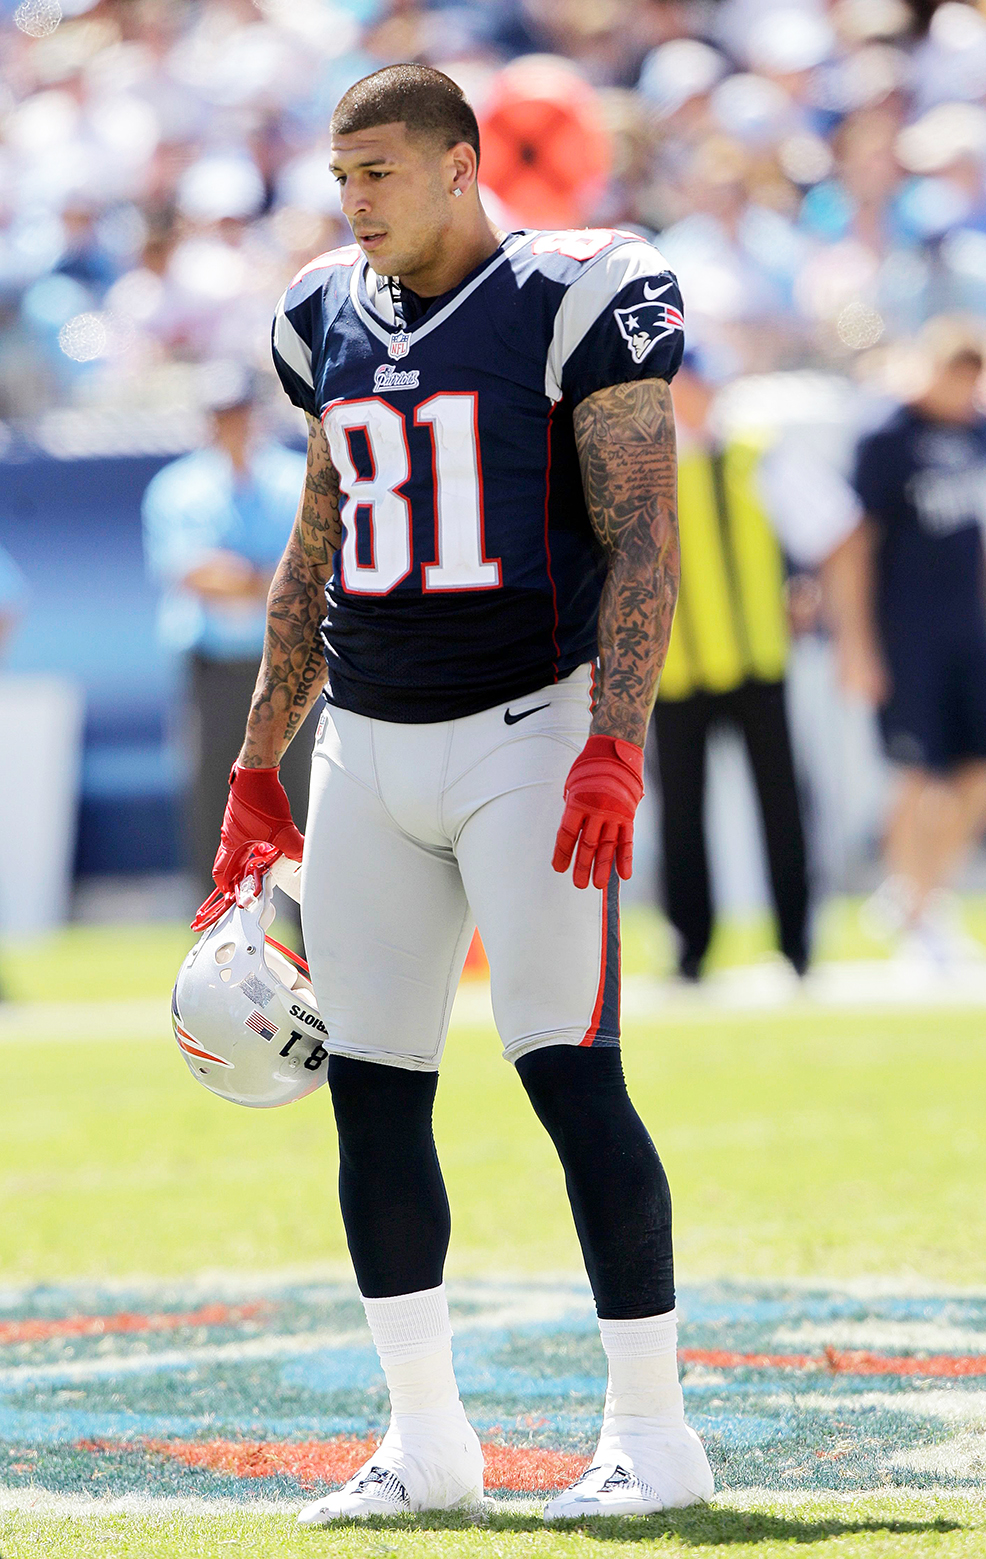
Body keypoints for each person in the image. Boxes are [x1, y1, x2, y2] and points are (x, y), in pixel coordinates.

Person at [207, 64, 714, 1523]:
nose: (354, 200)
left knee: (565, 1065)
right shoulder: (319, 316)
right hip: (369, 736)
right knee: (369, 1091)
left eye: (379, 171)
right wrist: (260, 760)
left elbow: (644, 538)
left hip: (528, 728)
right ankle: (426, 1439)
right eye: (340, 175)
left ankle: (656, 1434)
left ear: (460, 165)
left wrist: (614, 736)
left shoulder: (576, 292)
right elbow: (316, 549)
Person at [824, 318, 986, 964]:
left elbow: (979, 534)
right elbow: (853, 549)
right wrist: (858, 644)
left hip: (967, 630)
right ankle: (916, 910)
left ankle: (923, 893)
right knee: (917, 773)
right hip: (906, 631)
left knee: (983, 768)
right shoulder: (887, 435)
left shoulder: (978, 432)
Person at [653, 357, 810, 982]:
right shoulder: (640, 468)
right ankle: (691, 949)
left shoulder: (755, 454)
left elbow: (834, 530)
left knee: (783, 807)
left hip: (756, 664)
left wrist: (804, 588)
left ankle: (797, 943)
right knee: (681, 817)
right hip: (673, 671)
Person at [142, 362, 317, 897]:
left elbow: (315, 563)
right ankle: (219, 922)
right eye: (221, 414)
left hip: (294, 664)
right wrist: (274, 579)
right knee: (214, 797)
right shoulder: (179, 487)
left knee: (310, 792)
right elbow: (193, 573)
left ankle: (311, 930)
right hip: (216, 669)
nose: (231, 424)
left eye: (238, 411)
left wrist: (252, 577)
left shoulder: (294, 474)